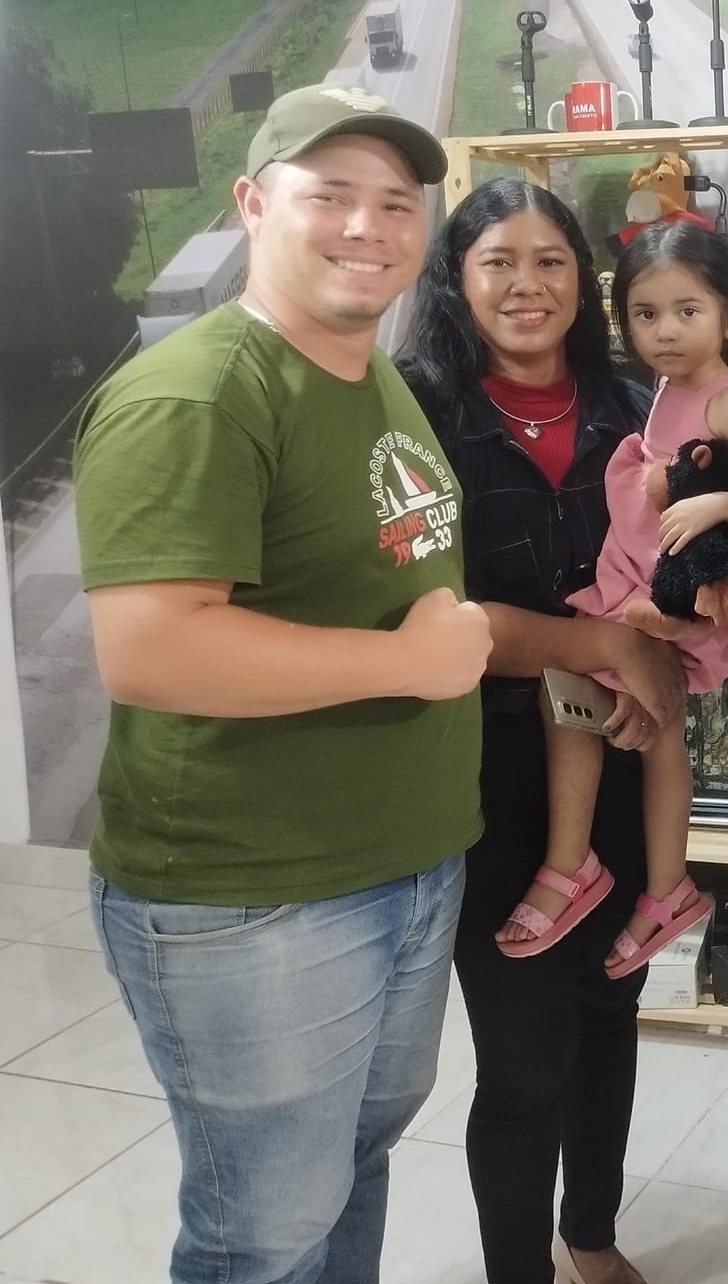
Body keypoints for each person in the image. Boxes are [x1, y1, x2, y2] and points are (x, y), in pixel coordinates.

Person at [77, 84, 492, 1284]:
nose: (367, 226)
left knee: (350, 1166)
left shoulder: (368, 376)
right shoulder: (198, 395)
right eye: (331, 196)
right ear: (252, 204)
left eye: (396, 203)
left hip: (400, 864)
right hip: (255, 896)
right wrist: (408, 665)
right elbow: (151, 649)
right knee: (262, 1230)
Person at [401, 180, 728, 1284]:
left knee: (606, 1014)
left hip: (629, 750)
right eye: (497, 261)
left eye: (549, 260)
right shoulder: (415, 414)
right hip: (487, 774)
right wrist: (595, 644)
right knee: (521, 1057)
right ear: (456, 278)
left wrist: (680, 630)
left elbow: (702, 555)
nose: (526, 285)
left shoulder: (639, 406)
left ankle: (591, 1236)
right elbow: (422, 617)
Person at [541, 221, 728, 974]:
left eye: (688, 311)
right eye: (646, 315)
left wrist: (719, 505)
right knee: (631, 719)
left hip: (692, 580)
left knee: (594, 701)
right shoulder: (665, 389)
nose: (666, 331)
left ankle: (585, 869)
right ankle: (656, 885)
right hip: (644, 567)